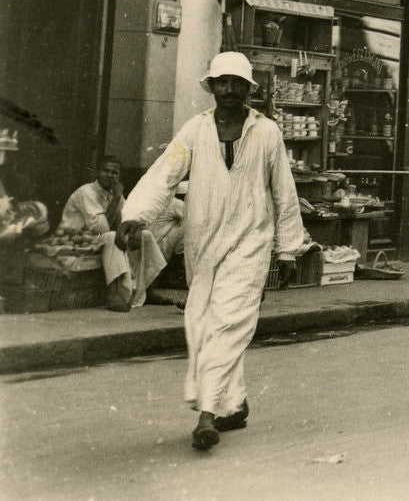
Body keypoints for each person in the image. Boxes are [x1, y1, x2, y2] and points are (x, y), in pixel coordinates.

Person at [116, 51, 304, 451]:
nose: (230, 90)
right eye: (222, 82)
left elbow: (284, 192)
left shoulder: (267, 131)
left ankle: (207, 414)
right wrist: (134, 215)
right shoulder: (195, 130)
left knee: (229, 321)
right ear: (212, 86)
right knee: (203, 323)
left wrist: (288, 249)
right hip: (203, 243)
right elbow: (164, 174)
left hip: (251, 241)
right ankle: (233, 404)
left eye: (238, 83)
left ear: (249, 89)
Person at [60, 154, 170, 310]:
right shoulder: (86, 192)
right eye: (106, 171)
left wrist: (132, 233)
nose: (110, 176)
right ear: (97, 172)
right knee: (111, 237)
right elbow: (100, 228)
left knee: (145, 235)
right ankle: (114, 293)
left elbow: (125, 219)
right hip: (74, 241)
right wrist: (117, 197)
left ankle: (147, 288)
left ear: (119, 176)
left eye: (114, 172)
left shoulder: (112, 193)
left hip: (95, 240)